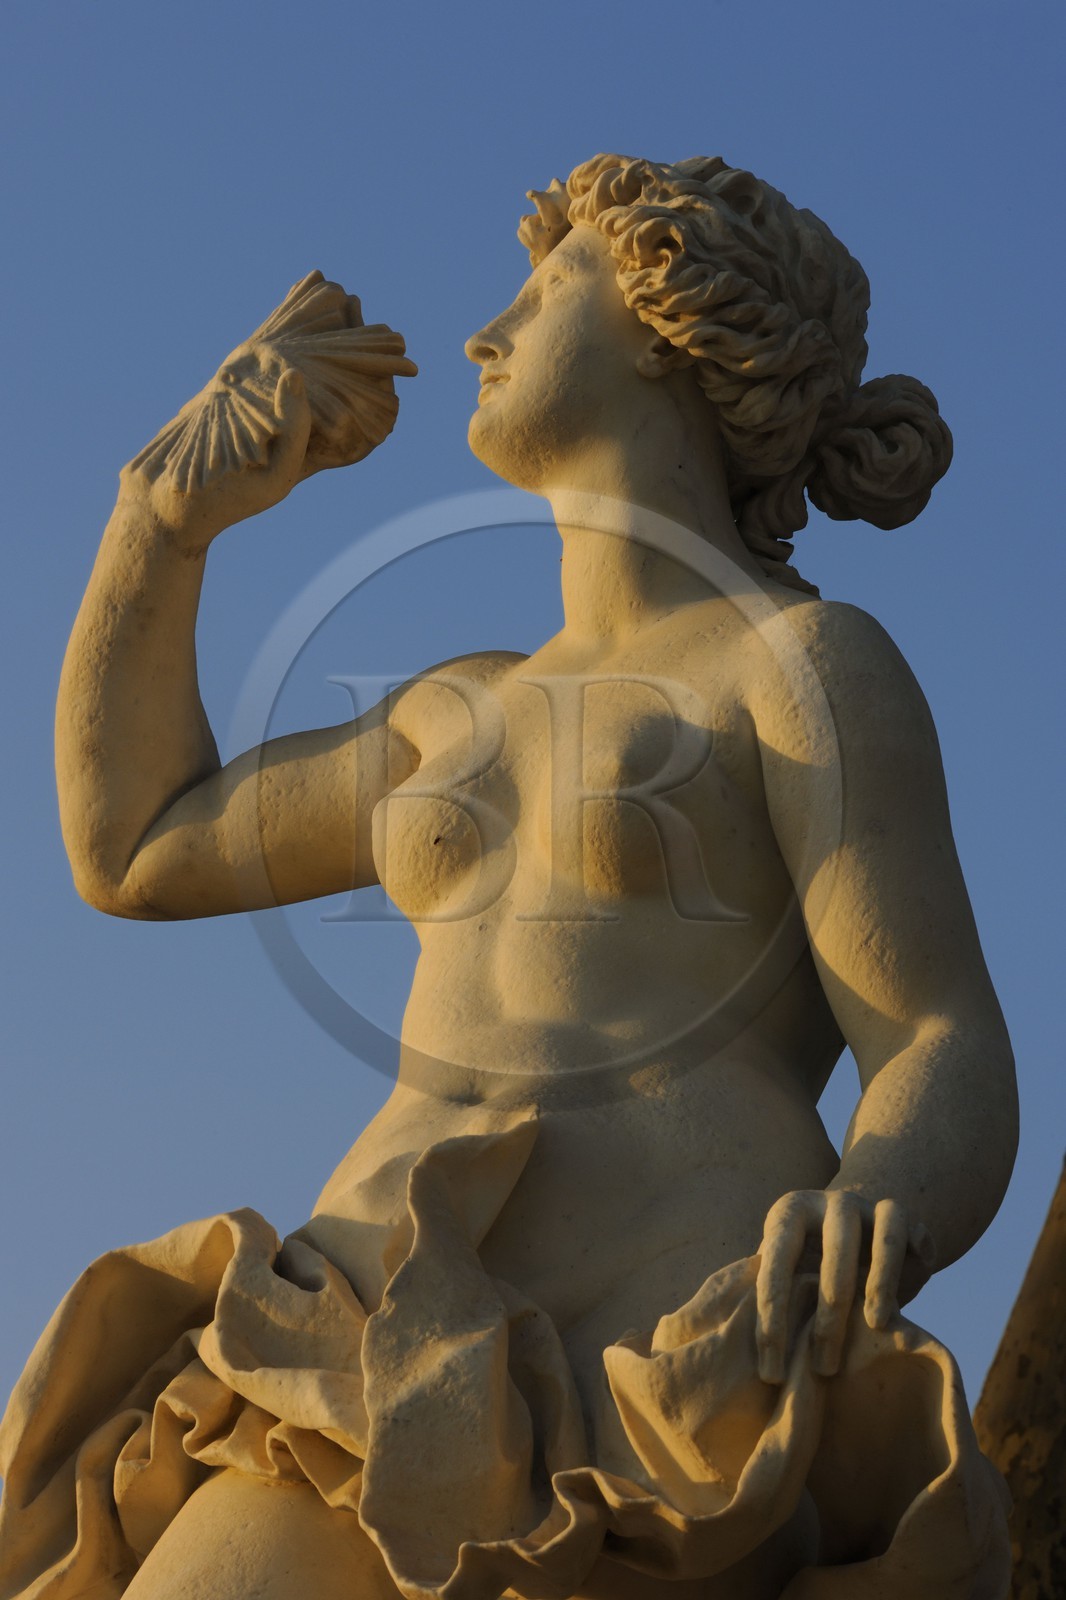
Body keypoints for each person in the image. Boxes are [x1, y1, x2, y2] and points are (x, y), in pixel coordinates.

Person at [0, 155, 1017, 1600]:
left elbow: (928, 1030)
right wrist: (161, 523)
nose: (484, 333)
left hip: (662, 1355)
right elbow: (139, 843)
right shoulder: (447, 709)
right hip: (360, 1324)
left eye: (545, 294)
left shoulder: (793, 664)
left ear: (677, 328)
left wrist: (890, 1194)